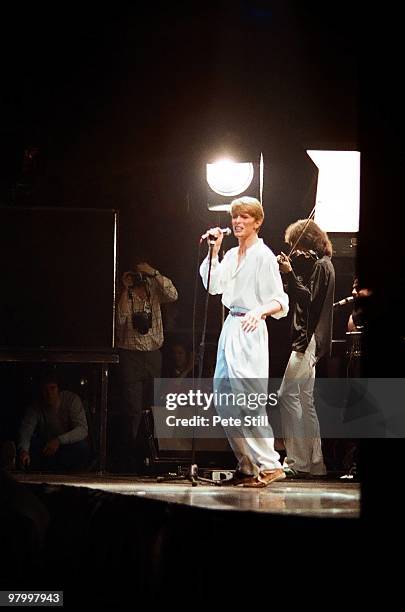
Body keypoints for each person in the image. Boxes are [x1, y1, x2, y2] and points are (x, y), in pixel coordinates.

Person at [200, 196, 289, 487]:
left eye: (245, 217)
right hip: (231, 326)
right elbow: (214, 287)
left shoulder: (263, 256)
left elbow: (279, 299)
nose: (238, 221)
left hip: (251, 328)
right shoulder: (230, 256)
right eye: (235, 217)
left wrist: (259, 311)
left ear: (257, 222)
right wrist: (214, 251)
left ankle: (271, 464)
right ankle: (247, 465)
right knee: (224, 397)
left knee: (249, 399)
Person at [277, 219, 335, 478]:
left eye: (296, 245)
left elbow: (309, 300)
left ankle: (296, 461)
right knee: (304, 400)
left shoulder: (322, 266)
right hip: (312, 339)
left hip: (308, 339)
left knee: (286, 395)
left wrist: (289, 274)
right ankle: (315, 463)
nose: (295, 251)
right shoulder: (322, 265)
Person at [116, 257, 178, 472]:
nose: (139, 279)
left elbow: (173, 294)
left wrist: (153, 272)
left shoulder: (154, 287)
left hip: (153, 354)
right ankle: (130, 459)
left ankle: (154, 456)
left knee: (155, 406)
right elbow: (121, 319)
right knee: (132, 409)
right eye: (135, 275)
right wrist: (126, 289)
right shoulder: (126, 292)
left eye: (140, 275)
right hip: (130, 356)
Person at [17, 370, 90, 472]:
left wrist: (58, 440)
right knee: (31, 446)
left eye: (52, 388)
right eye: (45, 390)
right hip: (46, 449)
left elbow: (82, 430)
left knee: (82, 447)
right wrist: (23, 451)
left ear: (58, 389)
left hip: (68, 447)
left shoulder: (71, 400)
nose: (49, 394)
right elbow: (26, 430)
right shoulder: (36, 406)